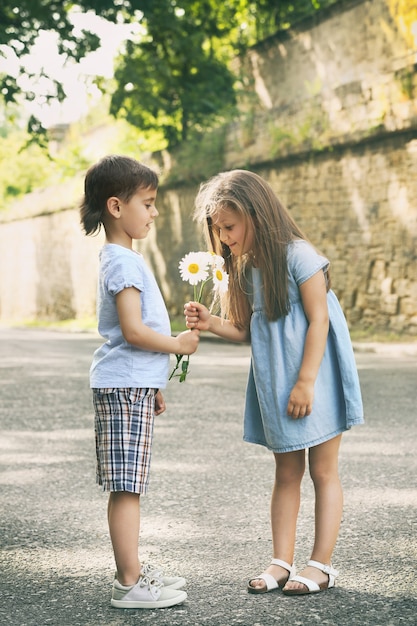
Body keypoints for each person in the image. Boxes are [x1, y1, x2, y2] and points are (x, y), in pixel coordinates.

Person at [184, 169, 364, 596]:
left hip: (314, 378)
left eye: (229, 226)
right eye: (218, 230)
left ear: (257, 215)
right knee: (286, 472)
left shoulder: (299, 255)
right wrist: (212, 323)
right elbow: (248, 330)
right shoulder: (250, 270)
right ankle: (281, 561)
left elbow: (319, 320)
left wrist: (305, 381)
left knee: (322, 471)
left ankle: (321, 565)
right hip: (277, 383)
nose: (224, 237)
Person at [80, 155, 199, 609]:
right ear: (115, 206)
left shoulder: (122, 257)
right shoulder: (124, 263)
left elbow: (130, 339)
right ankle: (129, 584)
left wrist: (152, 383)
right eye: (147, 203)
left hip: (130, 385)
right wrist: (176, 345)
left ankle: (131, 573)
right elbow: (132, 331)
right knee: (127, 487)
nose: (153, 212)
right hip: (121, 386)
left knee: (130, 483)